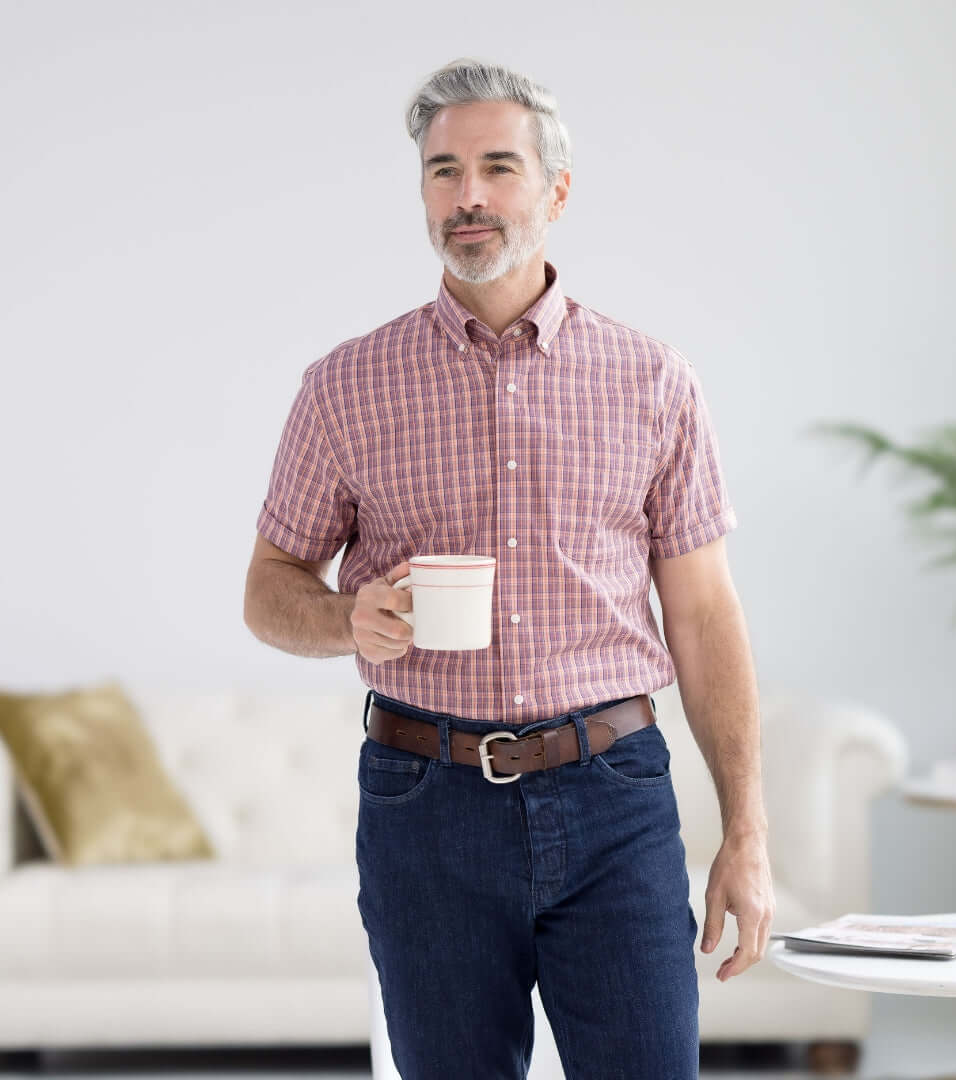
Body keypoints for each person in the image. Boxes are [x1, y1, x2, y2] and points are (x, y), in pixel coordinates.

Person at [244, 56, 774, 1080]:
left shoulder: (653, 381)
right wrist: (348, 617)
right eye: (443, 171)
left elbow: (704, 617)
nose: (469, 195)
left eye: (497, 166)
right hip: (422, 800)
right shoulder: (346, 387)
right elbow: (269, 589)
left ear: (555, 191)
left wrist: (745, 835)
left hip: (614, 792)